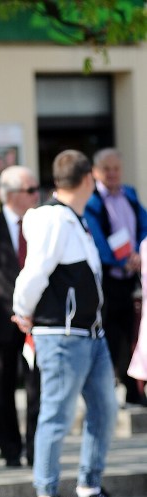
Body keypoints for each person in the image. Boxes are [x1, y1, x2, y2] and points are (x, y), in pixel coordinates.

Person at [12, 149, 129, 497]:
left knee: (105, 410)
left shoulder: (72, 219)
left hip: (89, 334)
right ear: (88, 181)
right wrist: (23, 309)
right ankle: (45, 496)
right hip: (61, 334)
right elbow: (35, 271)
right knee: (57, 415)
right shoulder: (54, 220)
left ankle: (87, 490)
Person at [0, 165, 42, 467]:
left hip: (39, 320)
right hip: (1, 318)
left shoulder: (42, 223)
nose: (36, 195)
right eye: (30, 190)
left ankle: (35, 450)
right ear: (12, 194)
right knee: (0, 388)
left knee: (38, 388)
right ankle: (10, 451)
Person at [83, 148, 147, 407]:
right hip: (107, 278)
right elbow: (97, 239)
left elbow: (144, 225)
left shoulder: (129, 194)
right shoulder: (92, 199)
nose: (112, 174)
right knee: (109, 334)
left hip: (132, 275)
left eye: (115, 168)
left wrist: (139, 253)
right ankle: (108, 392)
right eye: (106, 169)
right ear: (96, 172)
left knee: (133, 333)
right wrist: (123, 259)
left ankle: (134, 390)